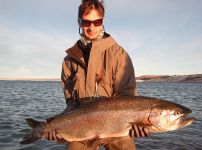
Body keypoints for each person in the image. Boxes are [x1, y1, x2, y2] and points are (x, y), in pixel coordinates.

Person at [43, 0, 147, 149]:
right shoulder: (68, 61)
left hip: (116, 128)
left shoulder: (120, 55)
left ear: (102, 21)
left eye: (97, 22)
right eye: (86, 22)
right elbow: (71, 103)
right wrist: (56, 126)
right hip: (81, 127)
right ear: (79, 22)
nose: (91, 27)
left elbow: (128, 98)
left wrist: (138, 122)